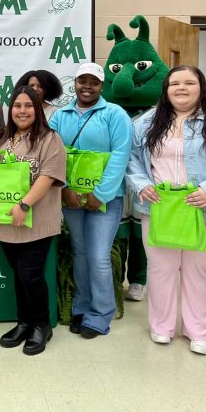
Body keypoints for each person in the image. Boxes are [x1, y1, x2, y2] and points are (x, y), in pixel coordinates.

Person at [126, 66, 206, 355]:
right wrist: (141, 184)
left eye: (189, 82)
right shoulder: (147, 121)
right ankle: (161, 326)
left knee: (199, 270)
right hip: (159, 206)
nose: (182, 88)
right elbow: (130, 158)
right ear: (165, 89)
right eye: (175, 83)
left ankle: (198, 331)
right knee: (161, 268)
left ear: (201, 86)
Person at [0, 86, 66, 356]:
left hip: (37, 220)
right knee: (19, 274)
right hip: (4, 221)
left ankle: (41, 325)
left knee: (31, 274)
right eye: (17, 106)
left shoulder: (50, 139)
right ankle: (24, 322)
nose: (22, 111)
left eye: (29, 106)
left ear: (38, 109)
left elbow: (48, 176)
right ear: (10, 109)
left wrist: (24, 204)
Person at [49, 63, 132, 339]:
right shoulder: (60, 116)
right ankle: (81, 307)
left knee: (98, 258)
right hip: (71, 196)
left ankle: (100, 313)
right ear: (75, 83)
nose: (87, 86)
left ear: (101, 85)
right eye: (82, 81)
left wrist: (101, 194)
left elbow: (121, 155)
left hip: (105, 200)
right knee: (80, 253)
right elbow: (51, 153)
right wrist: (64, 189)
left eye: (93, 82)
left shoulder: (115, 114)